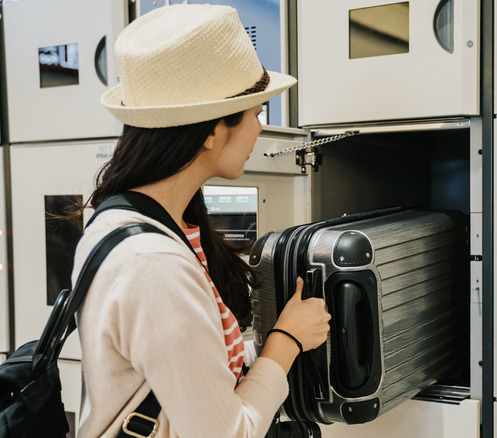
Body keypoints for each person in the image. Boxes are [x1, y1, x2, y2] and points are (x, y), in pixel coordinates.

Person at [71, 5, 331, 437]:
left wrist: (263, 348)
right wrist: (286, 342)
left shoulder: (128, 221)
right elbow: (230, 433)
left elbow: (183, 371)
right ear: (211, 130)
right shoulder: (153, 264)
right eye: (256, 113)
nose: (259, 129)